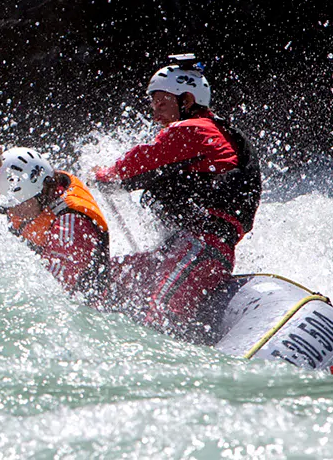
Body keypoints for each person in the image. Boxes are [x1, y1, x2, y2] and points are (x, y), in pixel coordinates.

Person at [91, 54, 262, 342]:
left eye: (161, 101)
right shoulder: (207, 133)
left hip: (203, 247)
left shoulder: (194, 129)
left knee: (159, 312)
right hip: (183, 246)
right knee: (107, 277)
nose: (155, 111)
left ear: (187, 101)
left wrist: (103, 174)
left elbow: (138, 161)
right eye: (152, 102)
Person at [0, 143, 109, 303]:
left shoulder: (70, 225)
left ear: (41, 191)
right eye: (10, 205)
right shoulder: (30, 195)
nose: (13, 212)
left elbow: (52, 292)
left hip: (87, 301)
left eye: (18, 204)